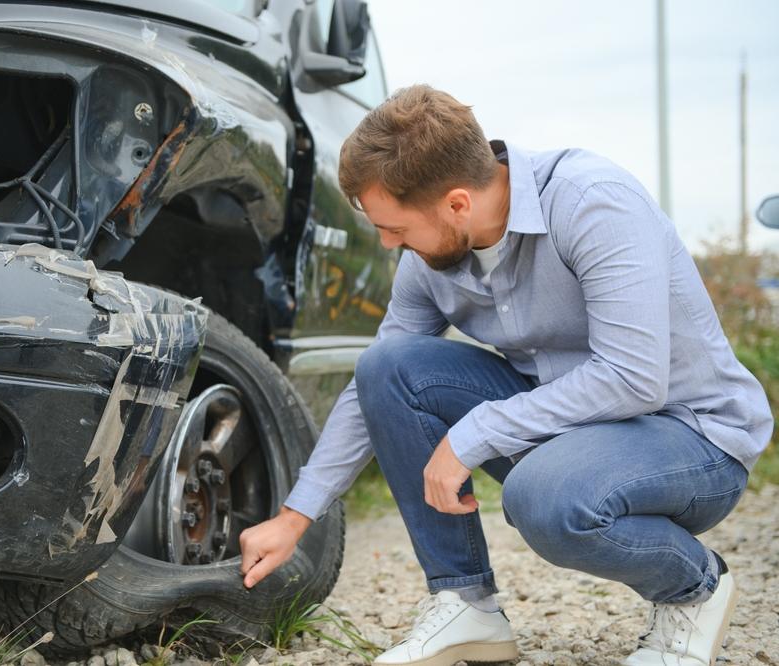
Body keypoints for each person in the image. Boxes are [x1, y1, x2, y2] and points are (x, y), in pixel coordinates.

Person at [237, 84, 773, 666]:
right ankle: (466, 603)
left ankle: (695, 589)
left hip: (691, 436)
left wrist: (474, 434)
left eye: (395, 228)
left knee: (545, 497)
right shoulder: (430, 256)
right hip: (570, 426)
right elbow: (375, 386)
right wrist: (296, 517)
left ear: (458, 204)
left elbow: (633, 377)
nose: (389, 244)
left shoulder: (594, 202)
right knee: (388, 367)